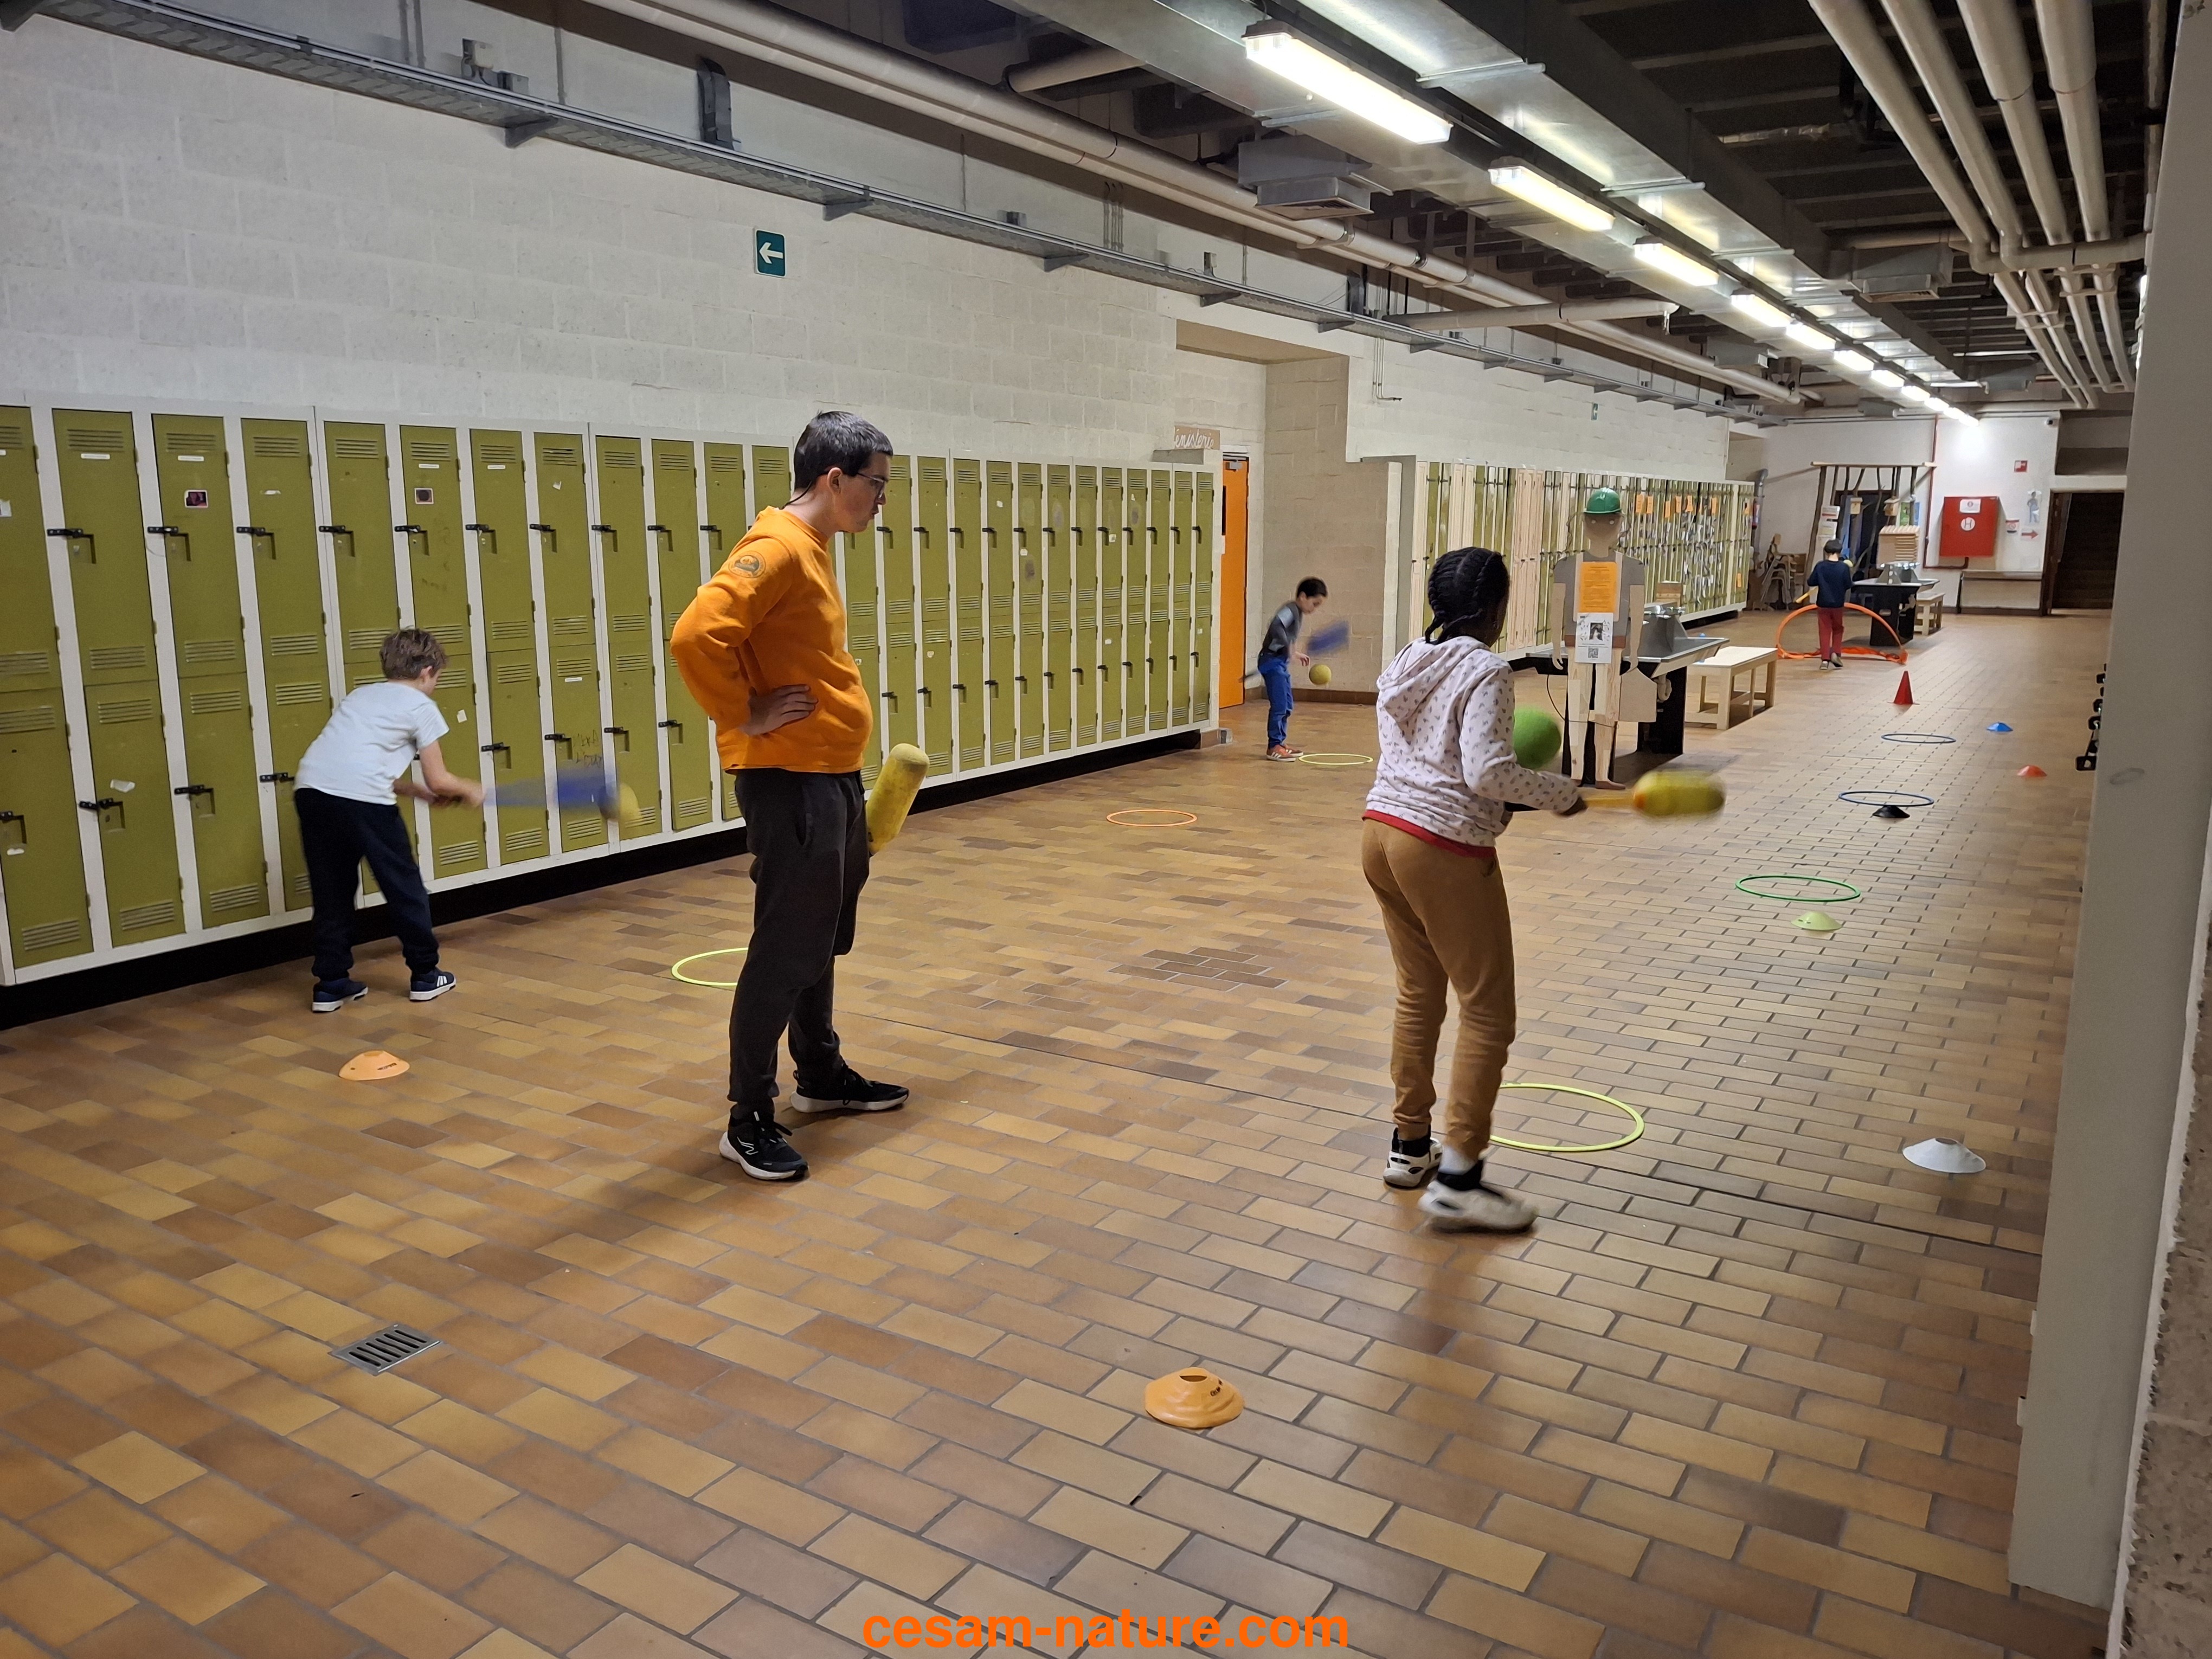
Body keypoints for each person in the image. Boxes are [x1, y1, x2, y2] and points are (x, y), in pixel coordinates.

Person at [672, 411, 909, 1183]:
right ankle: (748, 1117)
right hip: (791, 784)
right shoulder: (776, 547)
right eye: (876, 484)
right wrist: (742, 713)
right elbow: (695, 635)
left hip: (828, 774)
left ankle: (822, 1075)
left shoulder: (814, 546)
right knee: (785, 950)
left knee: (821, 936)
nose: (882, 500)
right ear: (835, 479)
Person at [1362, 548, 1586, 1232]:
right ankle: (1460, 1179)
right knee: (1488, 1012)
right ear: (1494, 608)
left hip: (1380, 833)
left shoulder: (1409, 659)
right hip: (1441, 848)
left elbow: (1439, 757)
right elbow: (1487, 772)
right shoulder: (1486, 668)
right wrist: (1558, 793)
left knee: (1419, 991)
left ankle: (1410, 1148)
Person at [293, 628, 483, 1012]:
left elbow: (352, 762)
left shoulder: (360, 696)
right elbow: (440, 779)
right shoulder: (421, 706)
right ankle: (426, 975)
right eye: (437, 677)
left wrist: (414, 791)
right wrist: (470, 789)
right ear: (427, 672)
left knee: (332, 891)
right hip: (362, 800)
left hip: (312, 792)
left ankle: (331, 984)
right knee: (404, 887)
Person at [1257, 577, 1327, 761]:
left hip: (1280, 662)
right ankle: (1273, 746)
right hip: (1271, 661)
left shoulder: (1298, 613)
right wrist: (1288, 647)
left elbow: (1287, 637)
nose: (1314, 608)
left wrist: (1294, 653)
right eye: (1315, 603)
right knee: (1280, 705)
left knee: (1287, 704)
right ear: (1303, 597)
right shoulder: (1290, 609)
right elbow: (1275, 626)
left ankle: (1280, 743)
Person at [1803, 541, 1856, 667]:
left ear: (1826, 552)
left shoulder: (1820, 566)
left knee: (1824, 630)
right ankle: (1836, 653)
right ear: (1840, 552)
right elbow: (1849, 585)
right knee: (1838, 629)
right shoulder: (1844, 567)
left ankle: (1825, 660)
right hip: (1838, 604)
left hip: (1823, 604)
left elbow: (1811, 582)